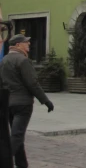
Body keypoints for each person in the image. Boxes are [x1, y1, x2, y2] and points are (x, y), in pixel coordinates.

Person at [0, 34, 54, 168]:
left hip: (8, 103)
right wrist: (45, 100)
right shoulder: (23, 61)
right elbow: (32, 83)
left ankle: (21, 164)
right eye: (26, 42)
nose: (29, 44)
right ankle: (4, 160)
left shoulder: (4, 60)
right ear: (18, 45)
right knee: (17, 135)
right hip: (22, 104)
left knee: (17, 133)